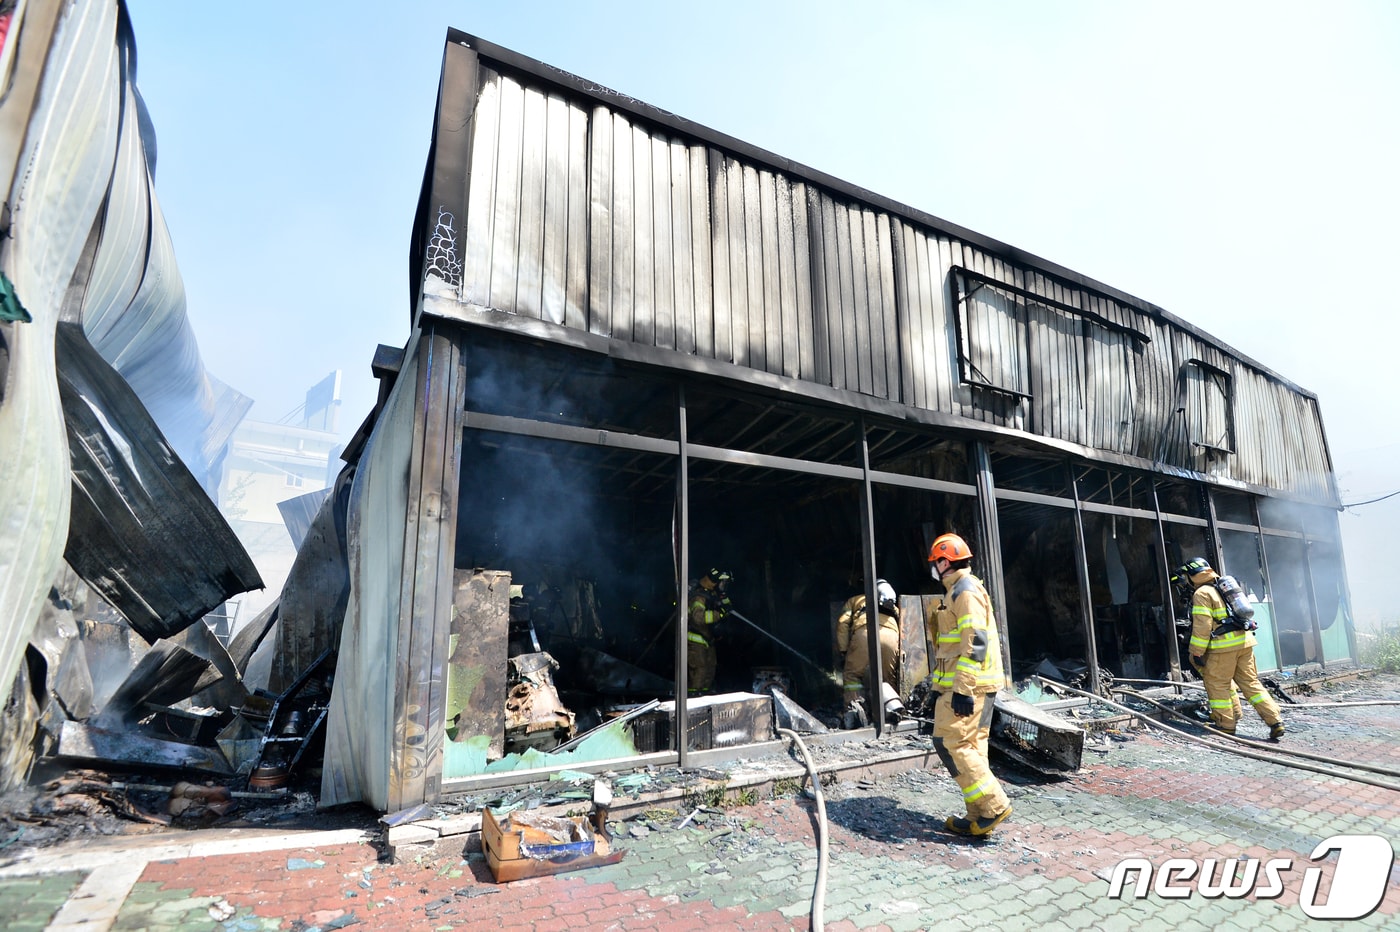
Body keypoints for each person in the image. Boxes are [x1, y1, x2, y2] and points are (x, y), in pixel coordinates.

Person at [926, 532, 1013, 837]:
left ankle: (994, 805)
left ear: (944, 561)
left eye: (935, 563)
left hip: (969, 687)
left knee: (953, 742)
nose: (933, 569)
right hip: (967, 685)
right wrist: (937, 687)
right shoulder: (957, 591)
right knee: (972, 747)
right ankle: (978, 815)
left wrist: (962, 688)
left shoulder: (964, 591)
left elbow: (975, 642)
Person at [1175, 557, 1285, 739]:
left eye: (1187, 576)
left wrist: (1196, 652)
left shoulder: (1202, 593)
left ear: (1193, 575)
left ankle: (1226, 724)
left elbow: (1202, 626)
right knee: (1251, 683)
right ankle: (1275, 721)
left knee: (1218, 684)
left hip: (1223, 647)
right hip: (1244, 643)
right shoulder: (1222, 587)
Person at [836, 579, 902, 724]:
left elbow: (842, 623)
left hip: (865, 633)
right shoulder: (893, 606)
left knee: (852, 676)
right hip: (891, 637)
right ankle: (888, 713)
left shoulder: (854, 600)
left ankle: (854, 715)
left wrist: (843, 650)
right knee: (887, 679)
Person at [686, 568, 732, 696]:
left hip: (707, 640)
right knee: (699, 674)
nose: (724, 586)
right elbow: (698, 617)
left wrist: (724, 599)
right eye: (722, 583)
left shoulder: (713, 595)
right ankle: (692, 703)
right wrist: (719, 614)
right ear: (715, 582)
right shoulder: (700, 597)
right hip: (696, 642)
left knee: (709, 672)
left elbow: (727, 608)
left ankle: (704, 700)